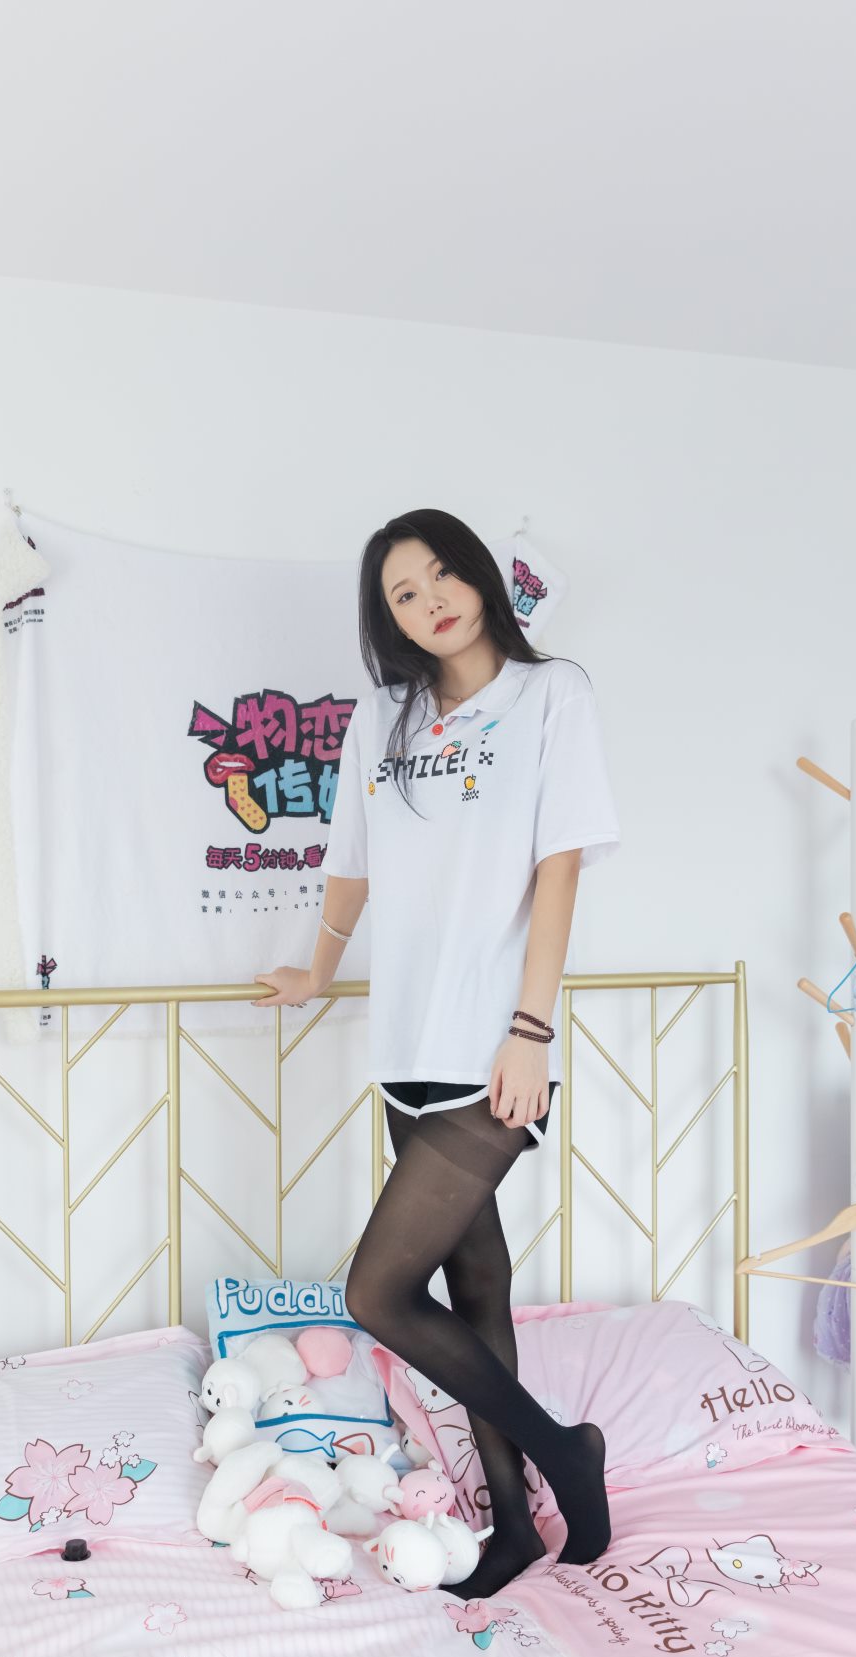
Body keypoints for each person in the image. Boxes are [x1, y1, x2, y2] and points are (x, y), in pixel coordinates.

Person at [251, 507, 621, 1596]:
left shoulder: (551, 695)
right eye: (403, 595)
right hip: (405, 1041)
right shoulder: (384, 716)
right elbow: (352, 863)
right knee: (476, 1285)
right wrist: (318, 970)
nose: (430, 602)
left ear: (479, 578)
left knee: (378, 1291)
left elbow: (559, 868)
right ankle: (512, 1526)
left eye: (442, 575)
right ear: (391, 620)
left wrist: (531, 1032)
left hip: (494, 1042)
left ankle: (567, 1454)